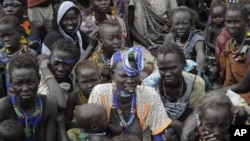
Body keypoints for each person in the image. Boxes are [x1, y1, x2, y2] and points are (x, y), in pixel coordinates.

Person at [88, 47, 173, 141]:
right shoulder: (100, 93)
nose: (130, 81)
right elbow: (93, 133)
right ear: (112, 75)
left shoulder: (150, 96)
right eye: (123, 75)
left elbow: (158, 134)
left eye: (134, 75)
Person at [143, 42, 205, 140]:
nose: (167, 74)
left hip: (186, 120)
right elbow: (150, 115)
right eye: (162, 69)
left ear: (183, 65)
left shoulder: (195, 84)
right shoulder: (149, 86)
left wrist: (185, 132)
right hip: (158, 122)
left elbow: (195, 113)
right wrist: (174, 125)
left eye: (173, 68)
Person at [0, 54, 58, 141]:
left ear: (38, 79)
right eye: (18, 83)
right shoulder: (3, 107)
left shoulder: (49, 105)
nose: (25, 89)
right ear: (11, 83)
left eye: (30, 82)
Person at [0, 15, 37, 98]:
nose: (6, 39)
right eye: (2, 36)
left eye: (10, 35)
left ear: (20, 32)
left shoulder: (30, 54)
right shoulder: (1, 55)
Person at [220, 3, 250, 89]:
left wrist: (219, 92)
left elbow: (245, 86)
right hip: (235, 89)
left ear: (247, 22)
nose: (232, 26)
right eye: (228, 22)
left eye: (237, 22)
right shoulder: (230, 44)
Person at [66, 59, 101, 129]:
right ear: (77, 82)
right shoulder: (74, 97)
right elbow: (67, 121)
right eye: (85, 82)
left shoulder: (106, 93)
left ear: (100, 78)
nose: (90, 85)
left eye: (93, 80)